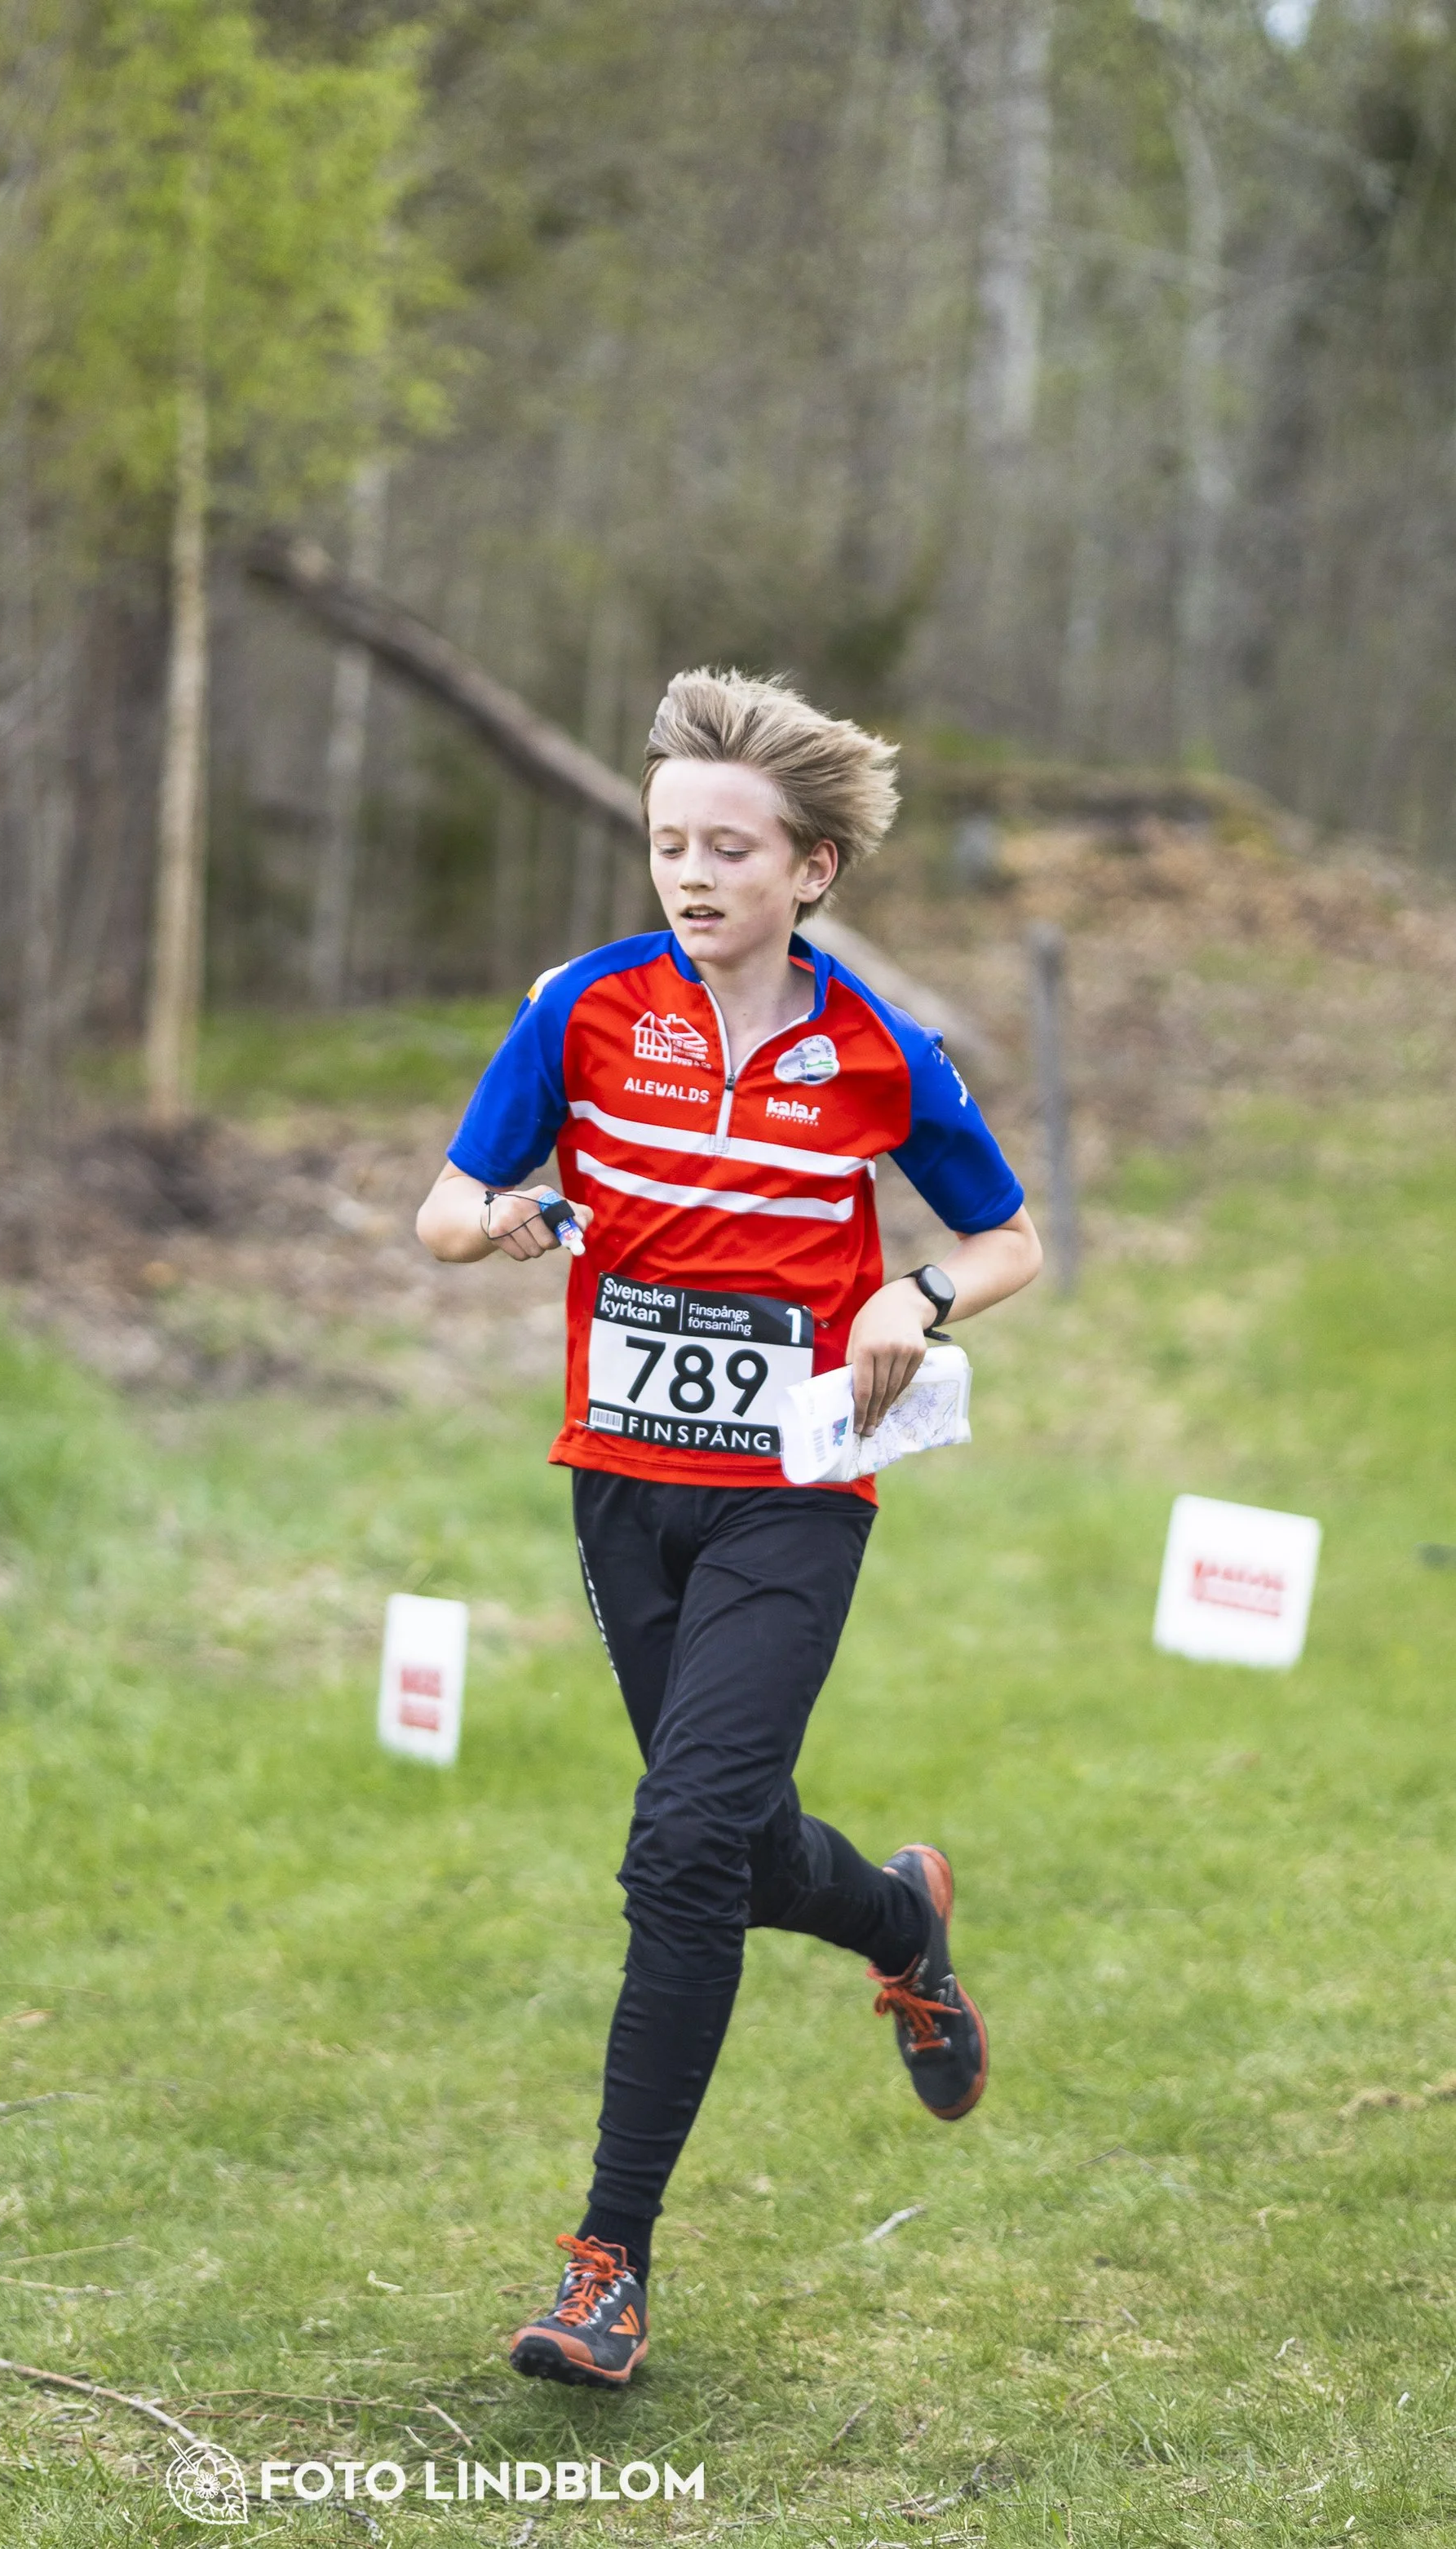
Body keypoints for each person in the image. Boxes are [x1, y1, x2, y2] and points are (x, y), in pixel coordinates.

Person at [414, 668, 1042, 2389]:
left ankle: (604, 2259)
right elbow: (442, 1209)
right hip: (621, 1491)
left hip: (792, 1489)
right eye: (664, 843)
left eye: (725, 849)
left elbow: (1008, 1242)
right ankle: (898, 1924)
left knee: (676, 1844)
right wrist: (513, 1213)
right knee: (733, 1838)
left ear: (811, 869)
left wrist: (917, 1291)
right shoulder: (584, 1007)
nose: (687, 875)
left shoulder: (872, 1052)